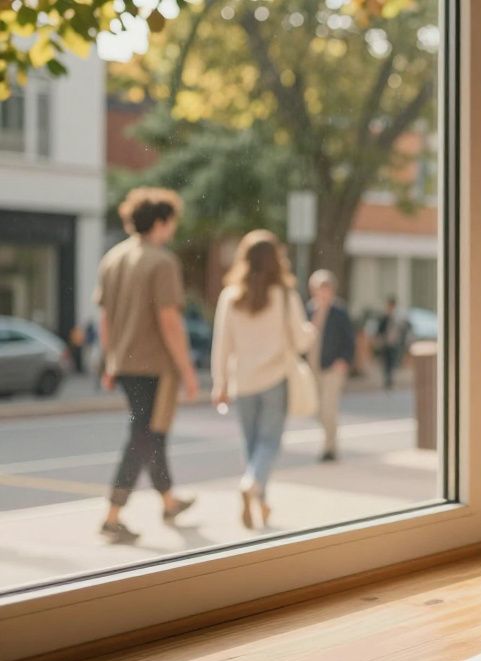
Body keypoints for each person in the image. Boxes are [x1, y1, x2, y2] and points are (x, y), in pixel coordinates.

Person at [95, 187, 198, 543]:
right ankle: (112, 516)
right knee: (143, 436)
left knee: (152, 434)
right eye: (171, 221)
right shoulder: (162, 261)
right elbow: (170, 321)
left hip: (123, 364)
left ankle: (169, 502)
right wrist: (188, 370)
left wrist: (108, 362)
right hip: (153, 366)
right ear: (160, 222)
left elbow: (104, 319)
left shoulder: (112, 258)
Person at [211, 230, 317, 529]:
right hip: (274, 379)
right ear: (275, 259)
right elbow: (300, 341)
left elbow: (222, 345)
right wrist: (311, 331)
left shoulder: (230, 296)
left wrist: (219, 383)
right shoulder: (284, 295)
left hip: (242, 382)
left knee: (252, 445)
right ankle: (253, 485)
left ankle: (260, 499)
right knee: (269, 444)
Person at [306, 269, 355, 462]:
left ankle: (330, 448)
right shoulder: (309, 309)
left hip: (332, 368)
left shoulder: (339, 312)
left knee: (329, 409)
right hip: (312, 367)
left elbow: (349, 340)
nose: (323, 293)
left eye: (326, 288)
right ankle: (329, 441)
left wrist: (344, 360)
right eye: (319, 289)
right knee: (316, 409)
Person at [372, 296, 408, 390]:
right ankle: (387, 380)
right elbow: (379, 329)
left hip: (395, 343)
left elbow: (404, 330)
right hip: (385, 342)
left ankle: (390, 380)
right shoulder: (385, 316)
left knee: (392, 362)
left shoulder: (399, 317)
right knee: (385, 362)